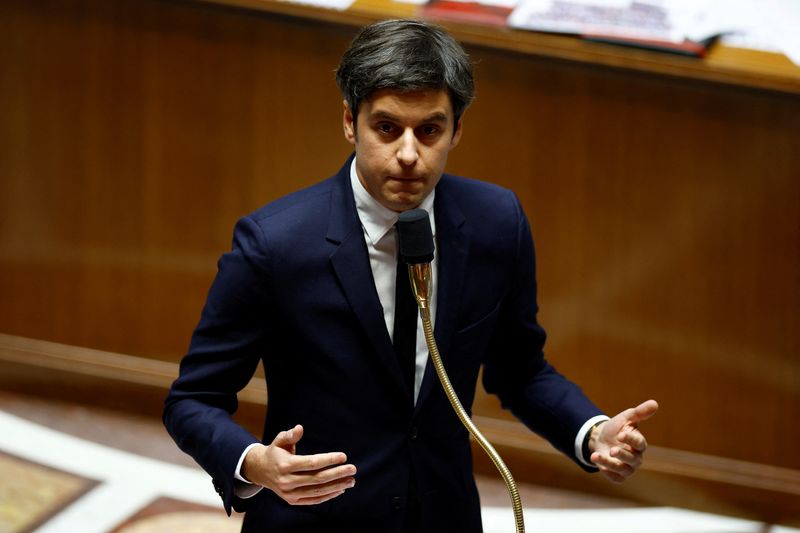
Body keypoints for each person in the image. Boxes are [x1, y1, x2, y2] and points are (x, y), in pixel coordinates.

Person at [164, 18, 658, 532]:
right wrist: (254, 464)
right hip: (314, 523)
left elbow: (521, 370)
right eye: (386, 128)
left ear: (456, 130)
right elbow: (192, 400)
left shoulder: (496, 223)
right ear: (349, 123)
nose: (406, 154)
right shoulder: (276, 245)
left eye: (429, 131)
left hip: (443, 518)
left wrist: (592, 431)